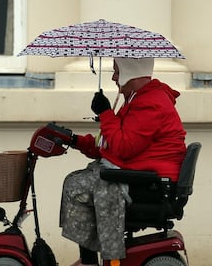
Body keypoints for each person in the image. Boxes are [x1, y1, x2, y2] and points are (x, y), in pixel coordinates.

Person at [60, 57, 187, 266]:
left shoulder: (151, 103)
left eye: (117, 71)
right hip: (144, 177)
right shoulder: (139, 100)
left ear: (131, 72)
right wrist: (75, 141)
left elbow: (124, 147)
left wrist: (105, 113)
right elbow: (111, 144)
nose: (113, 77)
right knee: (77, 182)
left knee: (77, 187)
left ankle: (96, 260)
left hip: (151, 184)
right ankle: (90, 260)